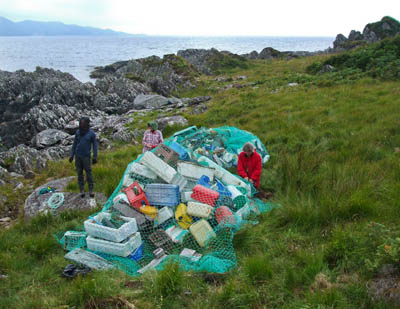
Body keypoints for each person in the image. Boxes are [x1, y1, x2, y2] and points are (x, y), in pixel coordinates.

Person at [69, 117, 98, 198]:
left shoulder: (91, 134)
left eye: (83, 123)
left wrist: (95, 156)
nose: (82, 124)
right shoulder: (78, 132)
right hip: (78, 157)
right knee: (79, 173)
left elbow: (95, 145)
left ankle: (91, 190)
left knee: (89, 173)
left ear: (87, 124)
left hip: (86, 157)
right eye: (81, 123)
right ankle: (82, 190)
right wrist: (72, 155)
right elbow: (74, 144)